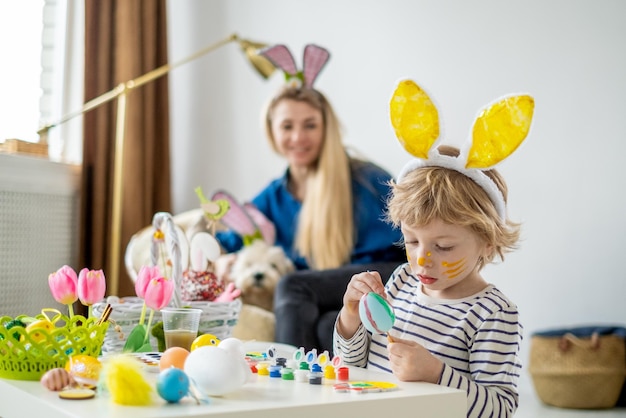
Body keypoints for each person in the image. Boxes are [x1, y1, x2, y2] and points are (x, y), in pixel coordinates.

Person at [333, 80, 534, 417]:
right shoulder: (400, 283)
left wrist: (437, 375)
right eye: (412, 241)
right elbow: (352, 365)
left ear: (487, 241)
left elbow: (499, 408)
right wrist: (351, 315)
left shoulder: (493, 315)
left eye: (443, 246)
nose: (422, 259)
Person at [214, 44, 405, 353]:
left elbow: (414, 233)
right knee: (325, 324)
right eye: (287, 126)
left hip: (383, 279)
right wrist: (221, 255)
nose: (298, 137)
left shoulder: (368, 180)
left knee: (293, 285)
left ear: (326, 128)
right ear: (272, 131)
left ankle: (287, 393)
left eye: (310, 125)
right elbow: (234, 235)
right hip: (333, 294)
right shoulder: (275, 195)